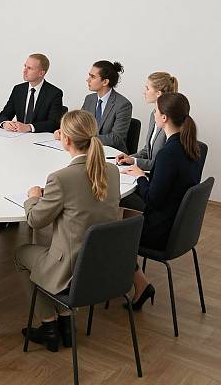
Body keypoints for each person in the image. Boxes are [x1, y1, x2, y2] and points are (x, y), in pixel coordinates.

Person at [15, 110, 121, 351]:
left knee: (21, 255)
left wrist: (32, 197)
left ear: (66, 140)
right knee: (49, 253)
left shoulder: (61, 178)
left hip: (70, 269)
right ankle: (66, 322)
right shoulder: (112, 171)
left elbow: (34, 220)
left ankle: (49, 325)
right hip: (102, 266)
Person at [122, 92, 205, 310]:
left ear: (165, 118)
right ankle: (139, 283)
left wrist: (140, 176)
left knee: (109, 228)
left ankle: (139, 284)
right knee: (121, 215)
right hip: (178, 226)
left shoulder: (168, 153)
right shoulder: (191, 146)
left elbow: (152, 200)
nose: (154, 115)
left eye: (156, 112)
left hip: (161, 230)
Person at [116, 72, 178, 211]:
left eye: (147, 88)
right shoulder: (154, 114)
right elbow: (147, 149)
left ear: (158, 94)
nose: (144, 92)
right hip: (148, 176)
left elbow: (159, 163)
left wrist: (135, 164)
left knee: (115, 194)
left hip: (155, 185)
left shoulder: (170, 123)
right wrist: (131, 158)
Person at [56, 61, 132, 153]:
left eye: (93, 77)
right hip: (87, 150)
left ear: (105, 82)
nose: (88, 80)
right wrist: (65, 132)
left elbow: (116, 138)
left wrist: (81, 138)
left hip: (111, 154)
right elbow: (78, 124)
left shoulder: (123, 105)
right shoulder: (89, 99)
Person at [0, 53, 63, 133]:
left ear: (41, 73)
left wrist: (29, 127)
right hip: (18, 138)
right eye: (25, 66)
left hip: (40, 139)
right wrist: (5, 123)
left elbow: (54, 123)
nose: (24, 71)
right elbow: (4, 114)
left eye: (30, 68)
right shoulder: (18, 89)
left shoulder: (54, 93)